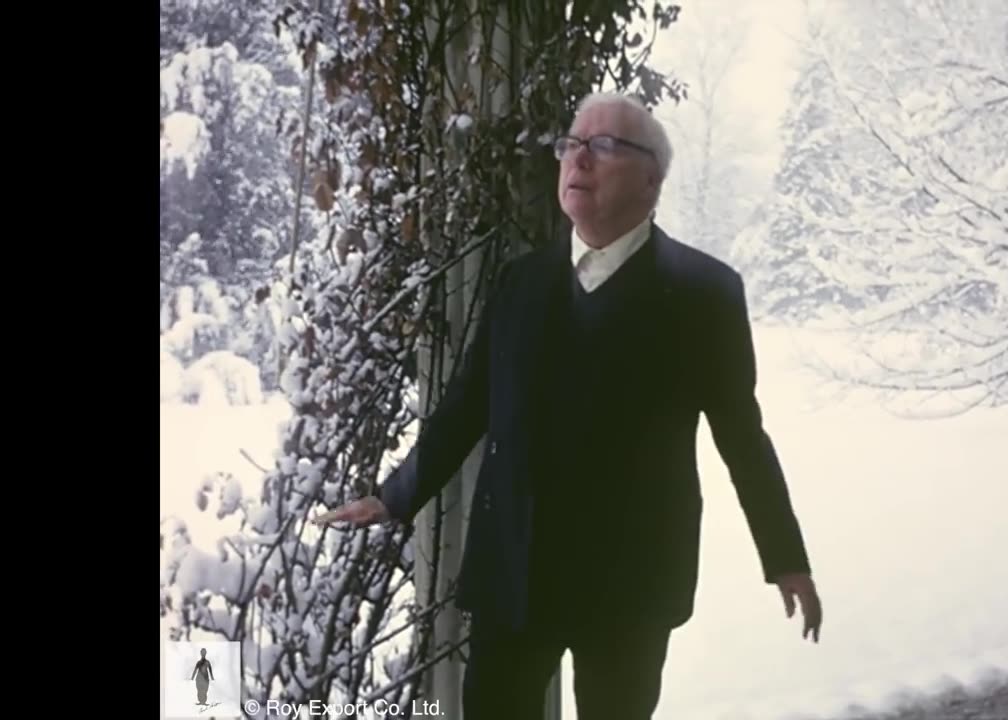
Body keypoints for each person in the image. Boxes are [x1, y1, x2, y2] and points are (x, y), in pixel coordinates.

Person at [316, 91, 822, 720]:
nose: (579, 159)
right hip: (514, 570)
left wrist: (785, 556)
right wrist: (395, 495)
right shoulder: (520, 283)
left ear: (651, 178)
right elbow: (470, 403)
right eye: (571, 144)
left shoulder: (703, 293)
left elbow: (743, 437)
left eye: (604, 146)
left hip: (629, 584)